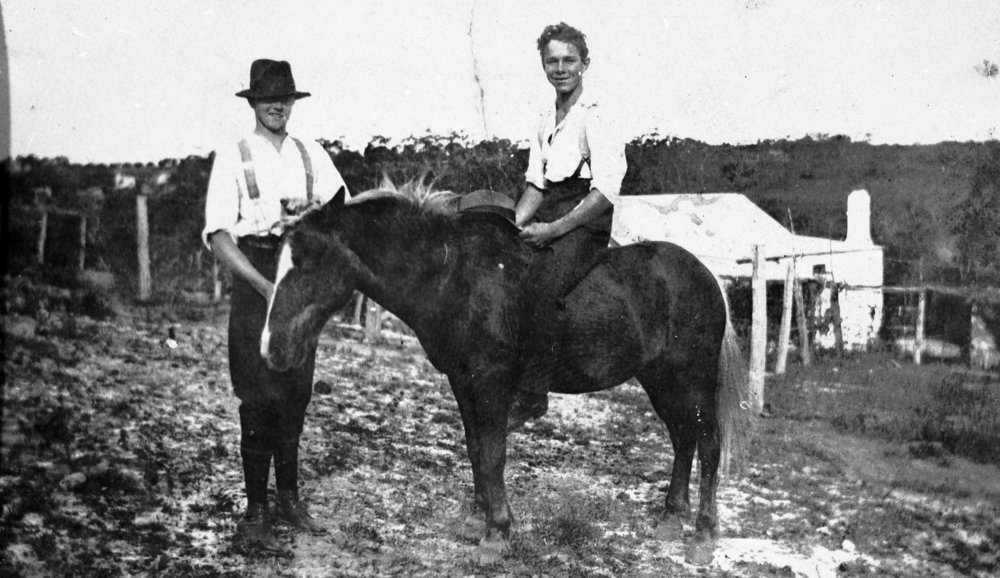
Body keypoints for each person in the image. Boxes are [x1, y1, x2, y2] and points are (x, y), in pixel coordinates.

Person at [202, 59, 348, 553]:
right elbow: (220, 235)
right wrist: (264, 286)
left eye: (284, 98)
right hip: (256, 275)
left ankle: (289, 498)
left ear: (293, 102)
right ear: (253, 103)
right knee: (257, 394)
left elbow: (339, 209)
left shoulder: (311, 154)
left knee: (296, 391)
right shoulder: (234, 154)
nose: (277, 106)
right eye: (268, 99)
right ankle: (256, 509)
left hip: (300, 275)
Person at [509, 22, 628, 431]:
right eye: (552, 61)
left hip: (586, 220)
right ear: (543, 65)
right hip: (551, 210)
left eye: (569, 60)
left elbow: (606, 191)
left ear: (585, 64)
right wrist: (512, 225)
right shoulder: (544, 116)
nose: (560, 69)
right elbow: (535, 186)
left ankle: (532, 393)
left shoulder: (597, 114)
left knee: (541, 284)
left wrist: (554, 230)